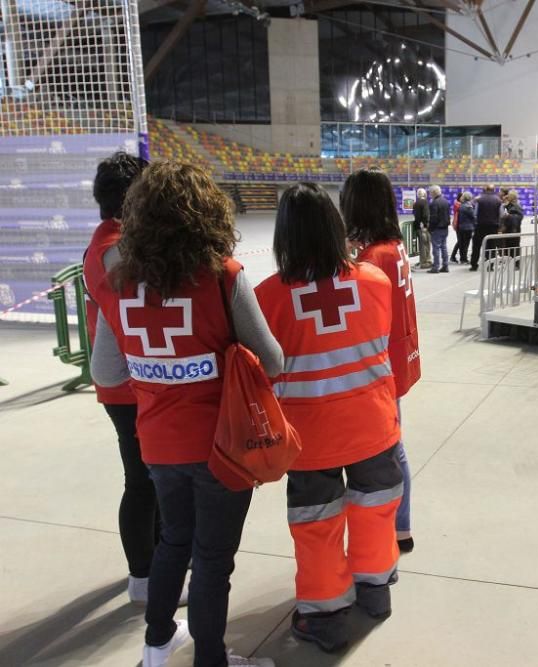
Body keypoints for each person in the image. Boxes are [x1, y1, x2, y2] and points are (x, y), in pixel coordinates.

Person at [90, 162, 283, 667]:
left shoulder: (115, 283)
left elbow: (106, 372)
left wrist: (157, 371)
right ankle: (211, 660)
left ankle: (156, 647)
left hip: (158, 442)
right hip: (222, 448)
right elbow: (274, 359)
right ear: (208, 215)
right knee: (213, 561)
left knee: (174, 540)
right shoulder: (224, 278)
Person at [255, 184, 402, 653]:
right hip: (372, 425)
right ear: (337, 228)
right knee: (375, 509)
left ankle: (326, 617)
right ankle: (376, 593)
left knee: (316, 525)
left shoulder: (268, 299)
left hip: (309, 438)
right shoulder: (374, 284)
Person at [84, 151, 172, 606]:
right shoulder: (117, 248)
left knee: (150, 477)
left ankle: (158, 559)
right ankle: (144, 576)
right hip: (126, 383)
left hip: (130, 381)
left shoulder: (108, 240)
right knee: (142, 479)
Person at [340, 169, 421, 554]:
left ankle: (400, 526)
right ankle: (401, 526)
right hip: (400, 355)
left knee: (391, 448)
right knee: (395, 445)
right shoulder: (393, 245)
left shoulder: (374, 256)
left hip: (383, 363)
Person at [470, 184, 502, 271]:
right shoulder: (498, 200)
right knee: (491, 246)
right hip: (493, 226)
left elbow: (475, 214)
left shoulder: (479, 199)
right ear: (493, 190)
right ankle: (490, 266)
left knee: (476, 246)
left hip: (480, 226)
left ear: (485, 189)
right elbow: (501, 214)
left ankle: (474, 265)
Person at [427, 184, 451, 273]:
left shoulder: (434, 203)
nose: (430, 194)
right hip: (445, 228)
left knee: (436, 248)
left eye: (430, 193)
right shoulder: (445, 201)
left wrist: (430, 229)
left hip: (437, 228)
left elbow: (433, 218)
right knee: (444, 247)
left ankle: (436, 267)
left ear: (433, 192)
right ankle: (445, 265)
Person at [451, 192, 475, 263]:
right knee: (465, 244)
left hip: (461, 227)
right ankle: (464, 259)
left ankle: (462, 258)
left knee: (462, 243)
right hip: (467, 228)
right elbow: (473, 217)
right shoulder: (468, 206)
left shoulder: (461, 206)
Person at [500, 190, 524, 258]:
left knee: (514, 248)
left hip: (514, 230)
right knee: (508, 248)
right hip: (508, 230)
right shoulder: (509, 205)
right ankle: (510, 263)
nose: (507, 197)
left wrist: (508, 216)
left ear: (512, 197)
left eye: (509, 196)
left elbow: (519, 217)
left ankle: (516, 264)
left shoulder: (517, 206)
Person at [412, 188, 432, 269]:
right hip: (423, 227)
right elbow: (425, 215)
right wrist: (425, 225)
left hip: (420, 226)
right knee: (425, 244)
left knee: (423, 244)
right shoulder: (425, 202)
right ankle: (425, 262)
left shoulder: (416, 203)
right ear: (424, 194)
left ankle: (426, 261)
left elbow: (416, 215)